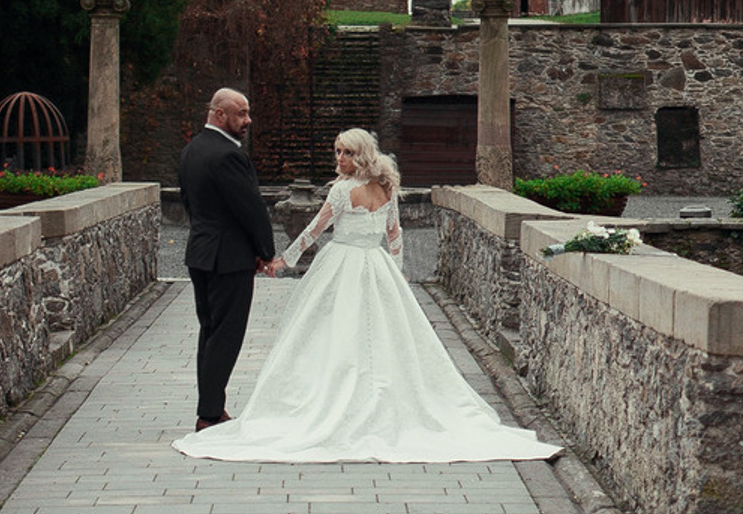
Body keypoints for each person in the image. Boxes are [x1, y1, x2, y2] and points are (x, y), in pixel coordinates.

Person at [177, 127, 559, 464]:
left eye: (345, 152)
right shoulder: (386, 189)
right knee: (378, 333)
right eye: (337, 151)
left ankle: (340, 403)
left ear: (359, 156)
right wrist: (397, 270)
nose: (339, 158)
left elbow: (314, 231)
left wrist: (282, 262)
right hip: (377, 266)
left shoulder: (342, 192)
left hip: (343, 264)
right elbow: (394, 235)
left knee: (334, 332)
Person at [176, 87, 277, 430]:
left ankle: (212, 408)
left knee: (210, 331)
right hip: (229, 259)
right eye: (241, 114)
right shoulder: (228, 156)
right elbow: (251, 209)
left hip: (200, 254)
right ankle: (209, 415)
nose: (247, 121)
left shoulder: (191, 150)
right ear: (219, 114)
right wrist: (266, 251)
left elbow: (188, 203)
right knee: (226, 335)